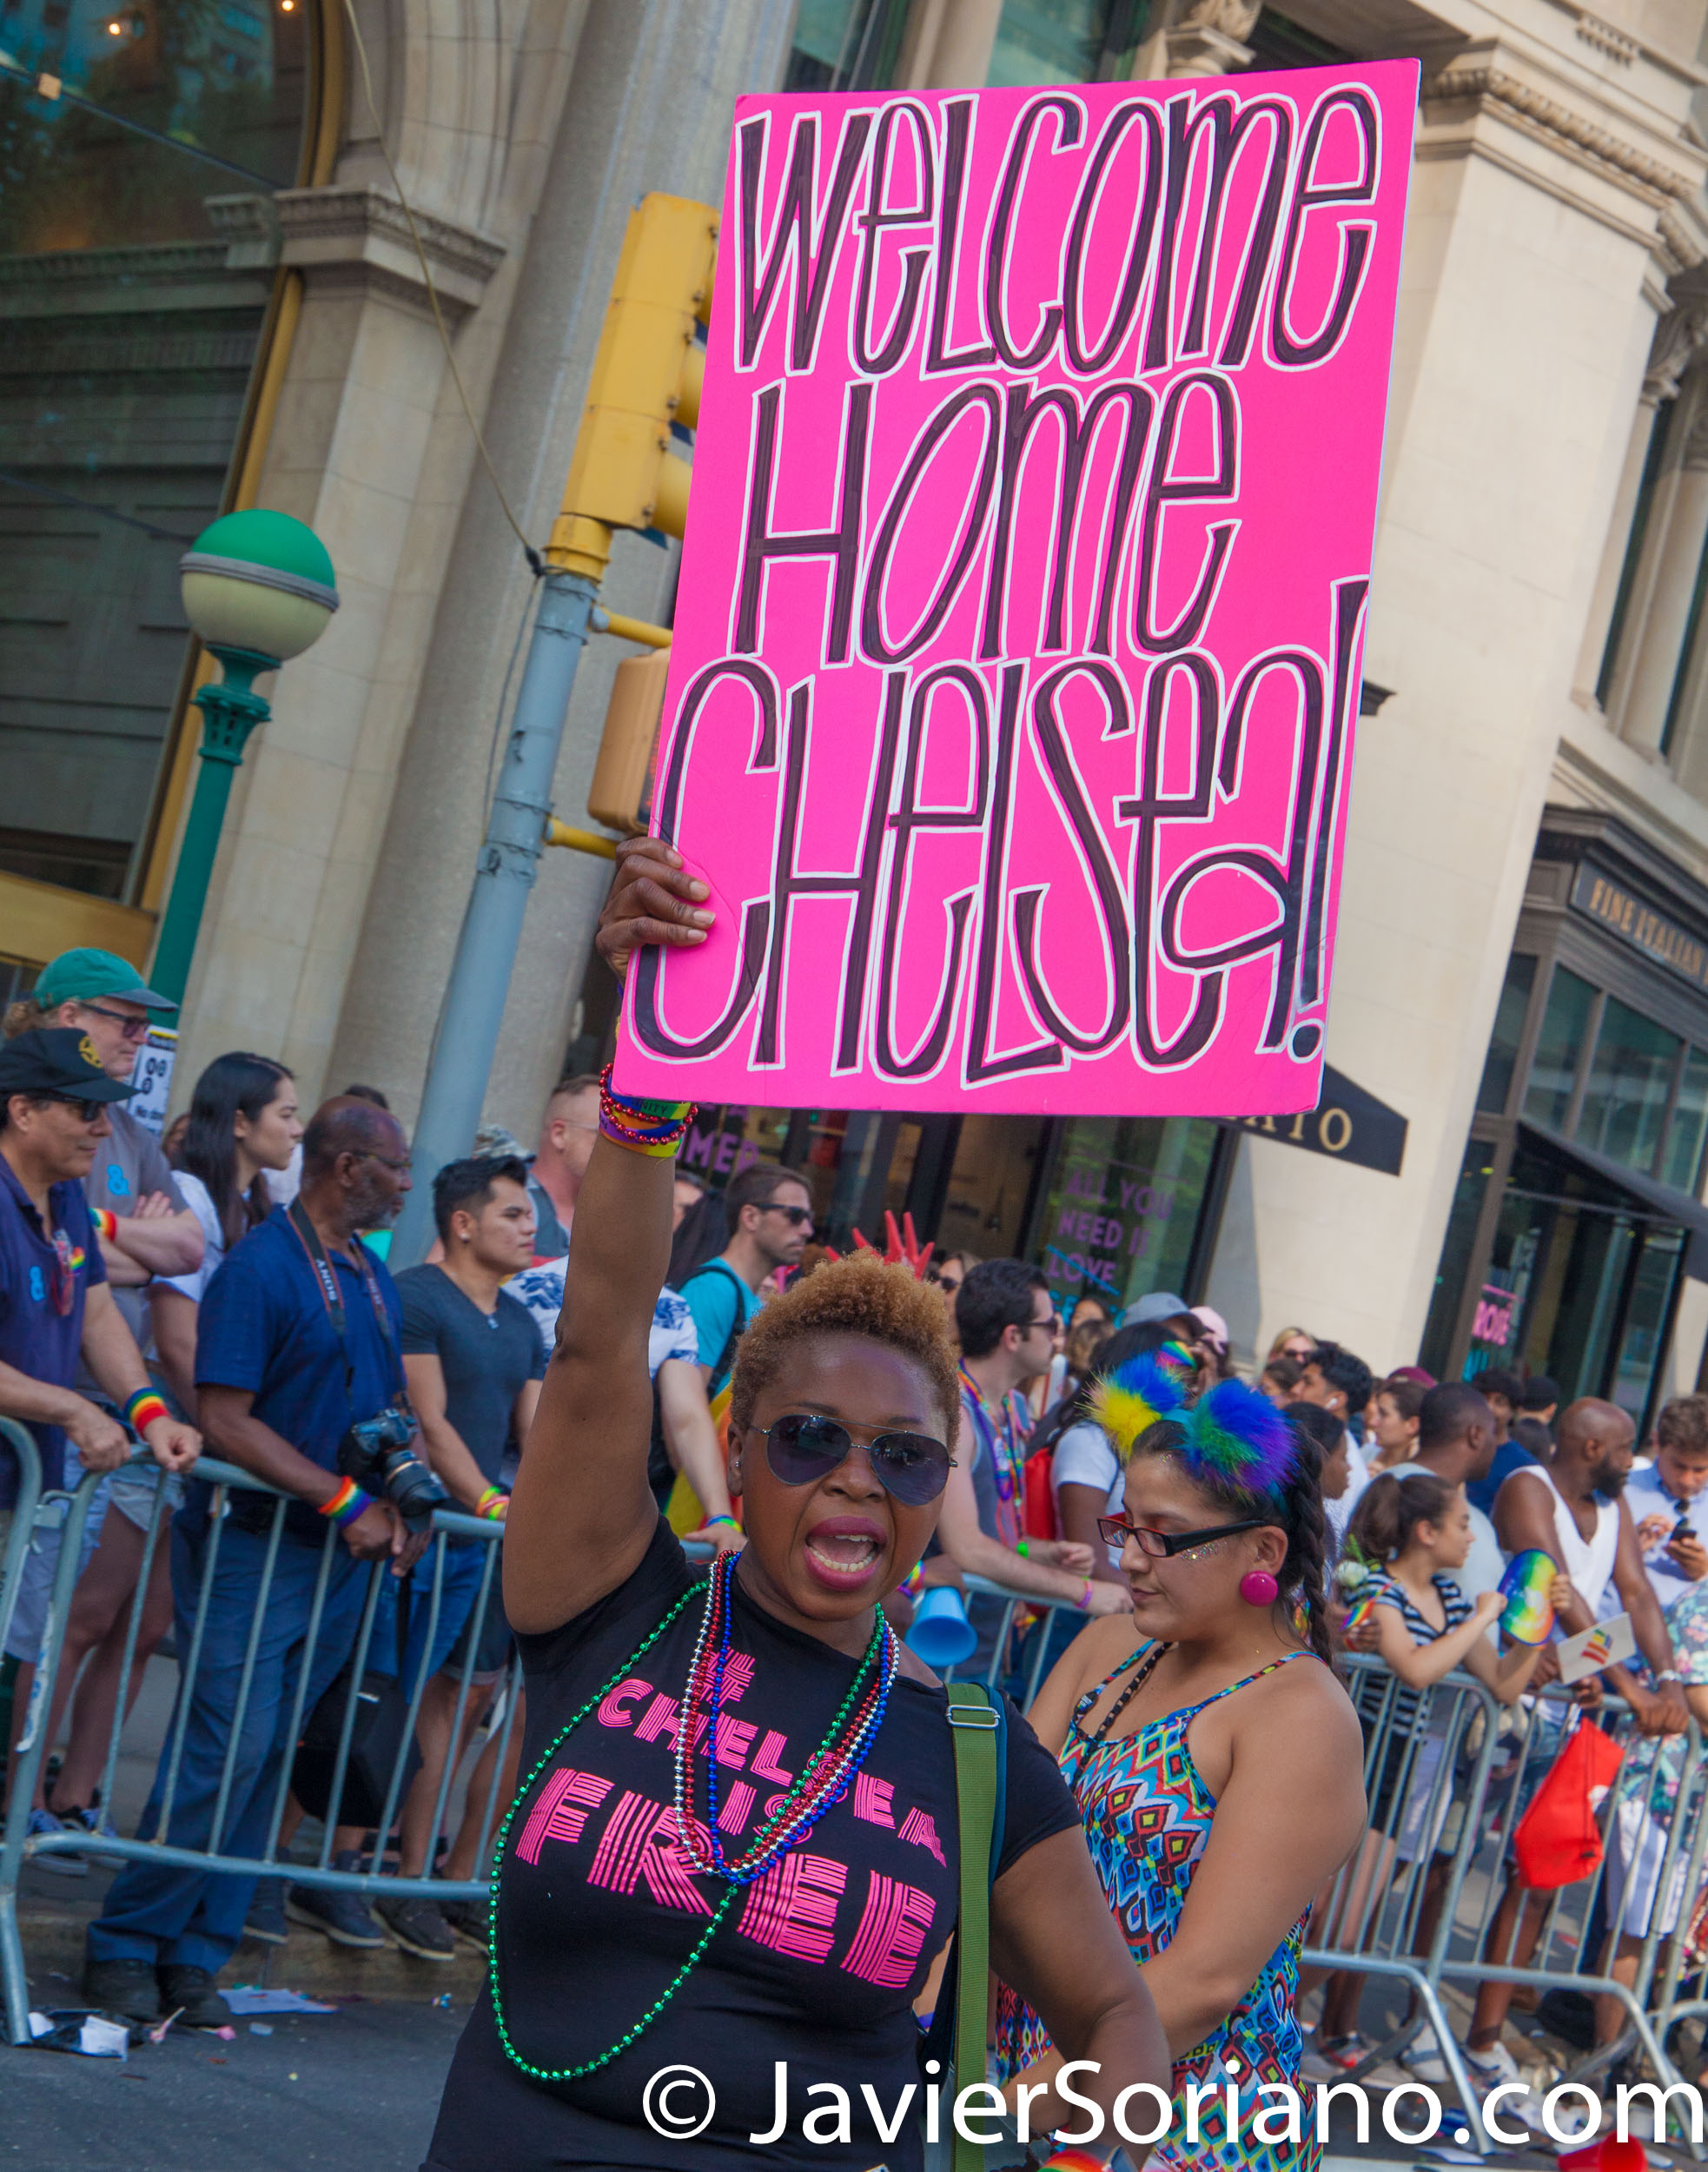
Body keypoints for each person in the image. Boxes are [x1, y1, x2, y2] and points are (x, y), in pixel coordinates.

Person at [421, 833, 1172, 2171]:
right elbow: (601, 1338)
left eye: (904, 1458)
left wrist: (995, 2122)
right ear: (742, 1439)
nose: (852, 1478)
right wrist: (647, 1041)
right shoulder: (606, 1603)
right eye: (811, 1436)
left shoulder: (973, 1755)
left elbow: (1115, 2014)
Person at [83, 1096, 429, 2028]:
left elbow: (384, 1407)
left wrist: (403, 1495)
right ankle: (125, 1943)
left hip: (338, 1560)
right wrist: (342, 1497)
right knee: (219, 1751)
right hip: (259, 1547)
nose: (406, 1182)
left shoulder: (366, 1271)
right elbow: (226, 1416)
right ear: (346, 1166)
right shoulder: (265, 1266)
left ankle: (197, 1956)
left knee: (273, 1755)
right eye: (393, 1166)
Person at [995, 1368, 1366, 2170]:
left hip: (1182, 2129)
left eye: (1162, 1535)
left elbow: (1202, 1981)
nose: (1129, 1558)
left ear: (1263, 1550)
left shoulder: (1301, 1716)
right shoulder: (1110, 1648)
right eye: (1124, 1526)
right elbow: (995, 1840)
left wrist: (995, 2114)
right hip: (1027, 2087)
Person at [31, 1055, 301, 1853]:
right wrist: (227, 1435)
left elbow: (170, 1259)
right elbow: (173, 1332)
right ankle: (26, 1792)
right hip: (155, 1434)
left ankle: (77, 1798)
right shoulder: (191, 1192)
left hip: (179, 1443)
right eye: (284, 1113)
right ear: (240, 1120)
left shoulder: (252, 1203)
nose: (296, 1127)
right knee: (84, 1618)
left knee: (144, 1626)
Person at [0, 1032, 202, 1857]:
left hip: (31, 1496)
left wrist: (148, 1412)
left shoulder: (68, 1200)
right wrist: (70, 1411)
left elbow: (92, 1315)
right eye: (83, 1109)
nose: (100, 1127)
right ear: (21, 1110)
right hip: (20, 1478)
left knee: (15, 1672)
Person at [352, 1154, 549, 1961]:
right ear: (463, 1224)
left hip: (481, 1544)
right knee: (373, 1696)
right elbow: (430, 1422)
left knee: (455, 1706)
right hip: (430, 1528)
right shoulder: (418, 1296)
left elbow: (536, 1439)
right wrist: (492, 1505)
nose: (529, 1227)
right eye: (512, 1214)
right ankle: (326, 1861)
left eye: (531, 1214)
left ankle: (406, 1876)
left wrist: (539, 1511)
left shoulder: (525, 1322)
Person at [1462, 1399, 1689, 2096]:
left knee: (1538, 1879)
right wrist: (1627, 1683)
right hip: (1504, 1702)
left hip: (1571, 1709)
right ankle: (1449, 2033)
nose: (1634, 1463)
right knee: (1449, 1871)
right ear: (1592, 1448)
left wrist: (1669, 1678)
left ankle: (1484, 2038)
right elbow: (1555, 1595)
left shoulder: (1611, 1505)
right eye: (1626, 1451)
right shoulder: (1529, 1489)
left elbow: (1635, 1598)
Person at [1311, 1471, 1557, 2069]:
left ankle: (1249, 2032)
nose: (1472, 1539)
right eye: (1463, 1524)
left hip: (1405, 1782)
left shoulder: (1447, 1597)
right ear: (1426, 1531)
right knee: (1330, 1929)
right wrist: (1481, 1618)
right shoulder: (1382, 1591)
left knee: (1341, 1931)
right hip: (1362, 1764)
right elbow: (1416, 1669)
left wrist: (1532, 1623)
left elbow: (1501, 1684)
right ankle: (1238, 2030)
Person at [938, 1261, 1131, 1664]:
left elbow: (1000, 1536)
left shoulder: (1010, 1408)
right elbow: (967, 1548)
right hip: (936, 1648)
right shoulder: (955, 1414)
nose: (1059, 1337)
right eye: (1050, 1325)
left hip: (981, 1647)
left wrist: (1042, 1552)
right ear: (1013, 1336)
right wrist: (1083, 1591)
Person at [4, 950, 203, 1304]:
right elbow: (36, 1244)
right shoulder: (21, 1109)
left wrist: (102, 1224)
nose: (142, 1038)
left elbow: (189, 1249)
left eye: (145, 1026)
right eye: (131, 1024)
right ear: (70, 1015)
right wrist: (145, 1259)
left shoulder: (128, 1131)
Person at [680, 1160, 814, 1403]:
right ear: (751, 1217)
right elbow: (683, 1411)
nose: (807, 1229)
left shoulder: (747, 1298)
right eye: (795, 1215)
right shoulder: (713, 1289)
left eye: (808, 1217)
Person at [1380, 1381, 1506, 1603]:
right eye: (1493, 1433)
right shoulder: (1401, 1491)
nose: (1497, 1445)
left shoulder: (1465, 1509)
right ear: (1475, 1435)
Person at [524, 1076, 600, 1258]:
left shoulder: (612, 1217)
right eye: (606, 1135)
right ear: (559, 1134)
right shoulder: (502, 1200)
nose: (619, 1149)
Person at [1367, 1374, 1425, 1472]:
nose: (1373, 1422)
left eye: (1383, 1414)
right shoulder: (1365, 1454)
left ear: (1412, 1425)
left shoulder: (1422, 1474)